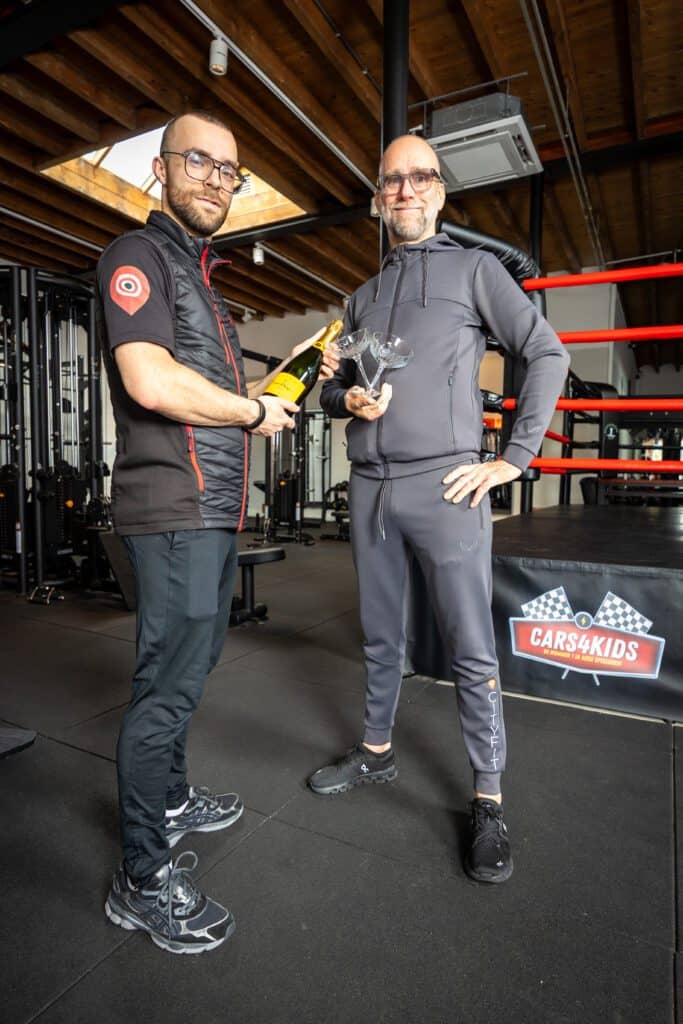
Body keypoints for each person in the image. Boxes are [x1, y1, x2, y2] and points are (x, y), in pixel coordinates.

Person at [97, 110, 339, 953]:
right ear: (160, 171)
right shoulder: (137, 258)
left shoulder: (203, 284)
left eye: (229, 171)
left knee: (190, 671)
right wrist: (251, 407)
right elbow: (151, 380)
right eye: (198, 161)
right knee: (164, 692)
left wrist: (301, 371)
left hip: (208, 512)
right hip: (171, 511)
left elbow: (248, 401)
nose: (215, 179)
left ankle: (166, 801)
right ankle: (142, 879)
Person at [308, 134, 569, 884]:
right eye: (393, 180)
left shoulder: (475, 270)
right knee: (381, 635)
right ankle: (376, 751)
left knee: (468, 648)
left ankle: (487, 799)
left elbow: (545, 353)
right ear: (379, 195)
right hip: (370, 490)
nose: (406, 190)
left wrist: (511, 460)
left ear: (439, 192)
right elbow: (337, 394)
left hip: (446, 487)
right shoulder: (360, 297)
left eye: (420, 176)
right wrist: (344, 393)